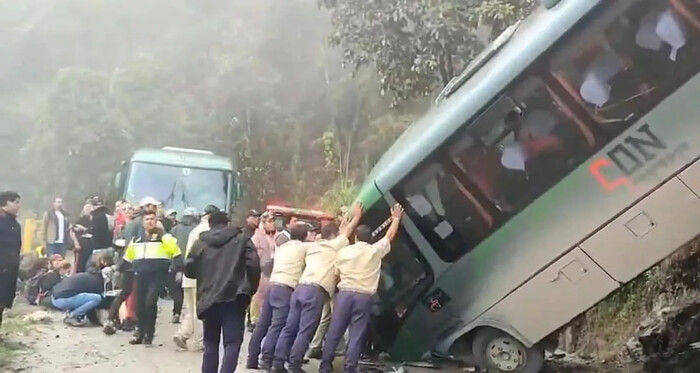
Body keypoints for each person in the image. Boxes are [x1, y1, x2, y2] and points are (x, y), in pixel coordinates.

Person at [272, 204, 362, 373]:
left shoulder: (312, 247)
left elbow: (342, 231)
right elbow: (347, 231)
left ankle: (277, 363)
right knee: (305, 330)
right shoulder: (333, 247)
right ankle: (294, 365)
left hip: (299, 288)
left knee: (289, 327)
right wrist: (356, 217)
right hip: (315, 292)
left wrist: (343, 222)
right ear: (334, 237)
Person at [319, 204, 404, 373]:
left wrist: (353, 218)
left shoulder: (344, 252)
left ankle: (325, 366)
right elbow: (390, 236)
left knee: (335, 331)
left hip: (344, 295)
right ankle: (350, 368)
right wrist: (395, 218)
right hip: (363, 297)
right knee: (357, 334)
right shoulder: (374, 251)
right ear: (369, 239)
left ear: (356, 238)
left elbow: (336, 274)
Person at [185, 211, 260, 373]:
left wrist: (204, 275)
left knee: (210, 343)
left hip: (208, 297)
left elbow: (189, 269)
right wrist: (250, 290)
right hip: (234, 298)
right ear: (227, 223)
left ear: (210, 224)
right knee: (232, 343)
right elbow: (254, 265)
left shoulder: (200, 243)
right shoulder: (242, 239)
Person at [247, 223, 310, 370]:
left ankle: (252, 358)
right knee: (278, 326)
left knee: (262, 324)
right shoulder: (303, 248)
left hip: (273, 285)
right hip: (286, 288)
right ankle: (267, 359)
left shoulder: (283, 247)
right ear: (305, 236)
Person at [121, 210, 182, 345]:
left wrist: (163, 234)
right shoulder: (137, 239)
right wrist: (120, 269)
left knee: (150, 303)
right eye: (147, 219)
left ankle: (149, 333)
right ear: (143, 223)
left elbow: (175, 251)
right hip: (140, 274)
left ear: (157, 221)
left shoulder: (164, 237)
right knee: (139, 306)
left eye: (152, 219)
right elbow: (128, 257)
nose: (150, 222)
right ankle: (140, 332)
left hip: (158, 275)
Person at [173, 205, 219, 351]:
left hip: (189, 276)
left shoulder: (195, 230)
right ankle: (200, 341)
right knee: (201, 310)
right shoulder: (207, 231)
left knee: (190, 310)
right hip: (199, 277)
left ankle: (182, 334)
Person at [51, 253, 114, 327]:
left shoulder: (90, 274)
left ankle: (72, 313)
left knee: (83, 296)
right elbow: (99, 301)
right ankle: (73, 316)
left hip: (55, 296)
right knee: (97, 298)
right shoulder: (98, 281)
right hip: (62, 299)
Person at [168, 207, 199, 325]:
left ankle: (176, 312)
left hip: (176, 262)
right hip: (191, 263)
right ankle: (190, 314)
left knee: (177, 290)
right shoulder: (196, 230)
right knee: (190, 290)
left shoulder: (175, 229)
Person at [248, 212, 277, 332]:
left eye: (273, 221)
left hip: (270, 270)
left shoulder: (272, 237)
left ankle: (263, 319)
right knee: (257, 296)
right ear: (263, 223)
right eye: (269, 221)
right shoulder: (257, 237)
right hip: (260, 270)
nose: (272, 224)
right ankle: (253, 320)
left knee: (265, 296)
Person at [0, 191, 21, 329]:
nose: (19, 206)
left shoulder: (14, 223)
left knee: (3, 301)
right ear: (7, 202)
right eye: (16, 202)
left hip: (10, 269)